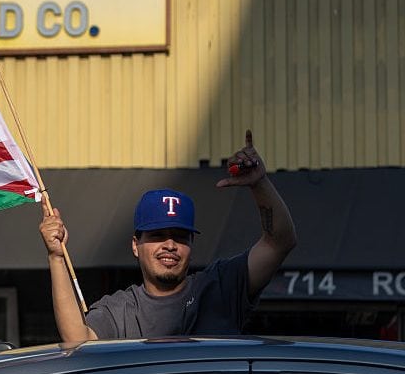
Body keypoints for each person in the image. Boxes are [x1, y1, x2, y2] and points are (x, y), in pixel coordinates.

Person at [40, 130, 297, 341]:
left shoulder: (220, 288)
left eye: (180, 236)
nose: (170, 245)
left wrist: (259, 184)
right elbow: (77, 341)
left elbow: (279, 242)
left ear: (191, 244)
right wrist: (56, 257)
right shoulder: (121, 311)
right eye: (157, 235)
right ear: (135, 245)